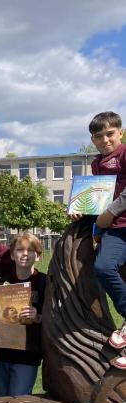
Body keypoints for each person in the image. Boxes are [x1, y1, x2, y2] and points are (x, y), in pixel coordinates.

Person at [72, 112, 126, 368]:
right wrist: (79, 207)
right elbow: (96, 198)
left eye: (109, 134)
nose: (104, 140)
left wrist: (110, 212)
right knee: (103, 267)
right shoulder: (96, 165)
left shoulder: (125, 154)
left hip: (116, 221)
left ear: (120, 133)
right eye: (98, 136)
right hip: (114, 231)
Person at [0, 232, 46, 403]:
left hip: (28, 352)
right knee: (6, 402)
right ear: (12, 254)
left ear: (38, 254)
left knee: (20, 400)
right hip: (2, 350)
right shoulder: (2, 281)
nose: (25, 254)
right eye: (20, 250)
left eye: (30, 250)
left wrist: (38, 316)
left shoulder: (44, 282)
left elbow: (55, 317)